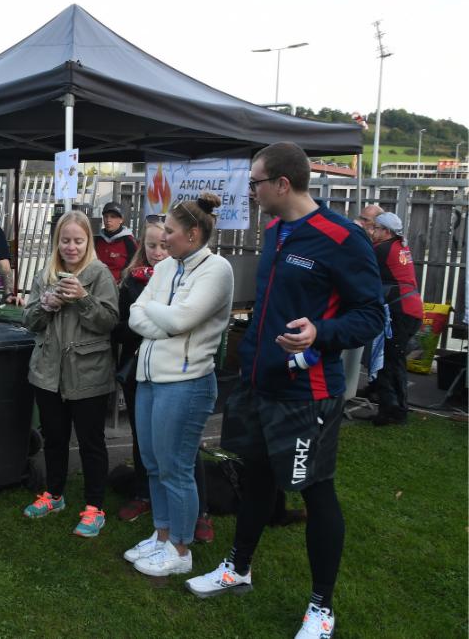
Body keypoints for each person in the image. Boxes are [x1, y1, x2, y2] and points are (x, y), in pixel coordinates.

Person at [186, 143, 383, 639]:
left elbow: (371, 315)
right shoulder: (274, 231)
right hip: (258, 384)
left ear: (282, 183)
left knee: (316, 491)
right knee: (255, 476)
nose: (250, 191)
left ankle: (321, 608)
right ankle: (238, 568)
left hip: (306, 394)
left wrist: (321, 332)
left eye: (255, 182)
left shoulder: (342, 237)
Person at [123, 194, 233, 577]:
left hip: (187, 384)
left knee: (175, 468)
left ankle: (181, 548)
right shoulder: (168, 266)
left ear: (193, 233)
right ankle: (162, 534)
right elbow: (135, 314)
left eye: (169, 231)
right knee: (154, 464)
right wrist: (163, 318)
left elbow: (180, 320)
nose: (163, 238)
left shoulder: (217, 270)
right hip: (150, 379)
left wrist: (158, 315)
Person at [21, 210, 118, 537]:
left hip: (88, 374)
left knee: (91, 442)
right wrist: (45, 306)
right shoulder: (46, 274)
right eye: (65, 240)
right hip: (48, 373)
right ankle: (54, 494)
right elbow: (29, 321)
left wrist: (83, 298)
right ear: (57, 242)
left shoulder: (100, 275)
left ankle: (94, 507)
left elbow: (109, 322)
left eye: (78, 240)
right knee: (54, 438)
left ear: (88, 241)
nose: (71, 247)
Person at [113, 217, 168, 522]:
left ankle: (188, 503)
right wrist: (142, 325)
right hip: (137, 368)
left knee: (172, 437)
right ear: (142, 246)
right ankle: (143, 493)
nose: (157, 252)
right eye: (151, 245)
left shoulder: (184, 280)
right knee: (141, 435)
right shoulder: (131, 281)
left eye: (163, 245)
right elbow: (118, 329)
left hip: (170, 369)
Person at [366, 212, 423, 426]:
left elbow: (358, 262)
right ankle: (390, 405)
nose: (372, 232)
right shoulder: (400, 246)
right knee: (393, 360)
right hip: (410, 309)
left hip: (400, 311)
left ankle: (394, 412)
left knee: (390, 361)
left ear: (387, 232)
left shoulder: (382, 249)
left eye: (376, 228)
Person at [95, 201, 138, 282]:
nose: (108, 220)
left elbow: (134, 265)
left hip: (120, 284)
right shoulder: (97, 239)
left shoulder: (128, 241)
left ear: (121, 220)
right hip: (97, 283)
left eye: (113, 217)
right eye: (106, 216)